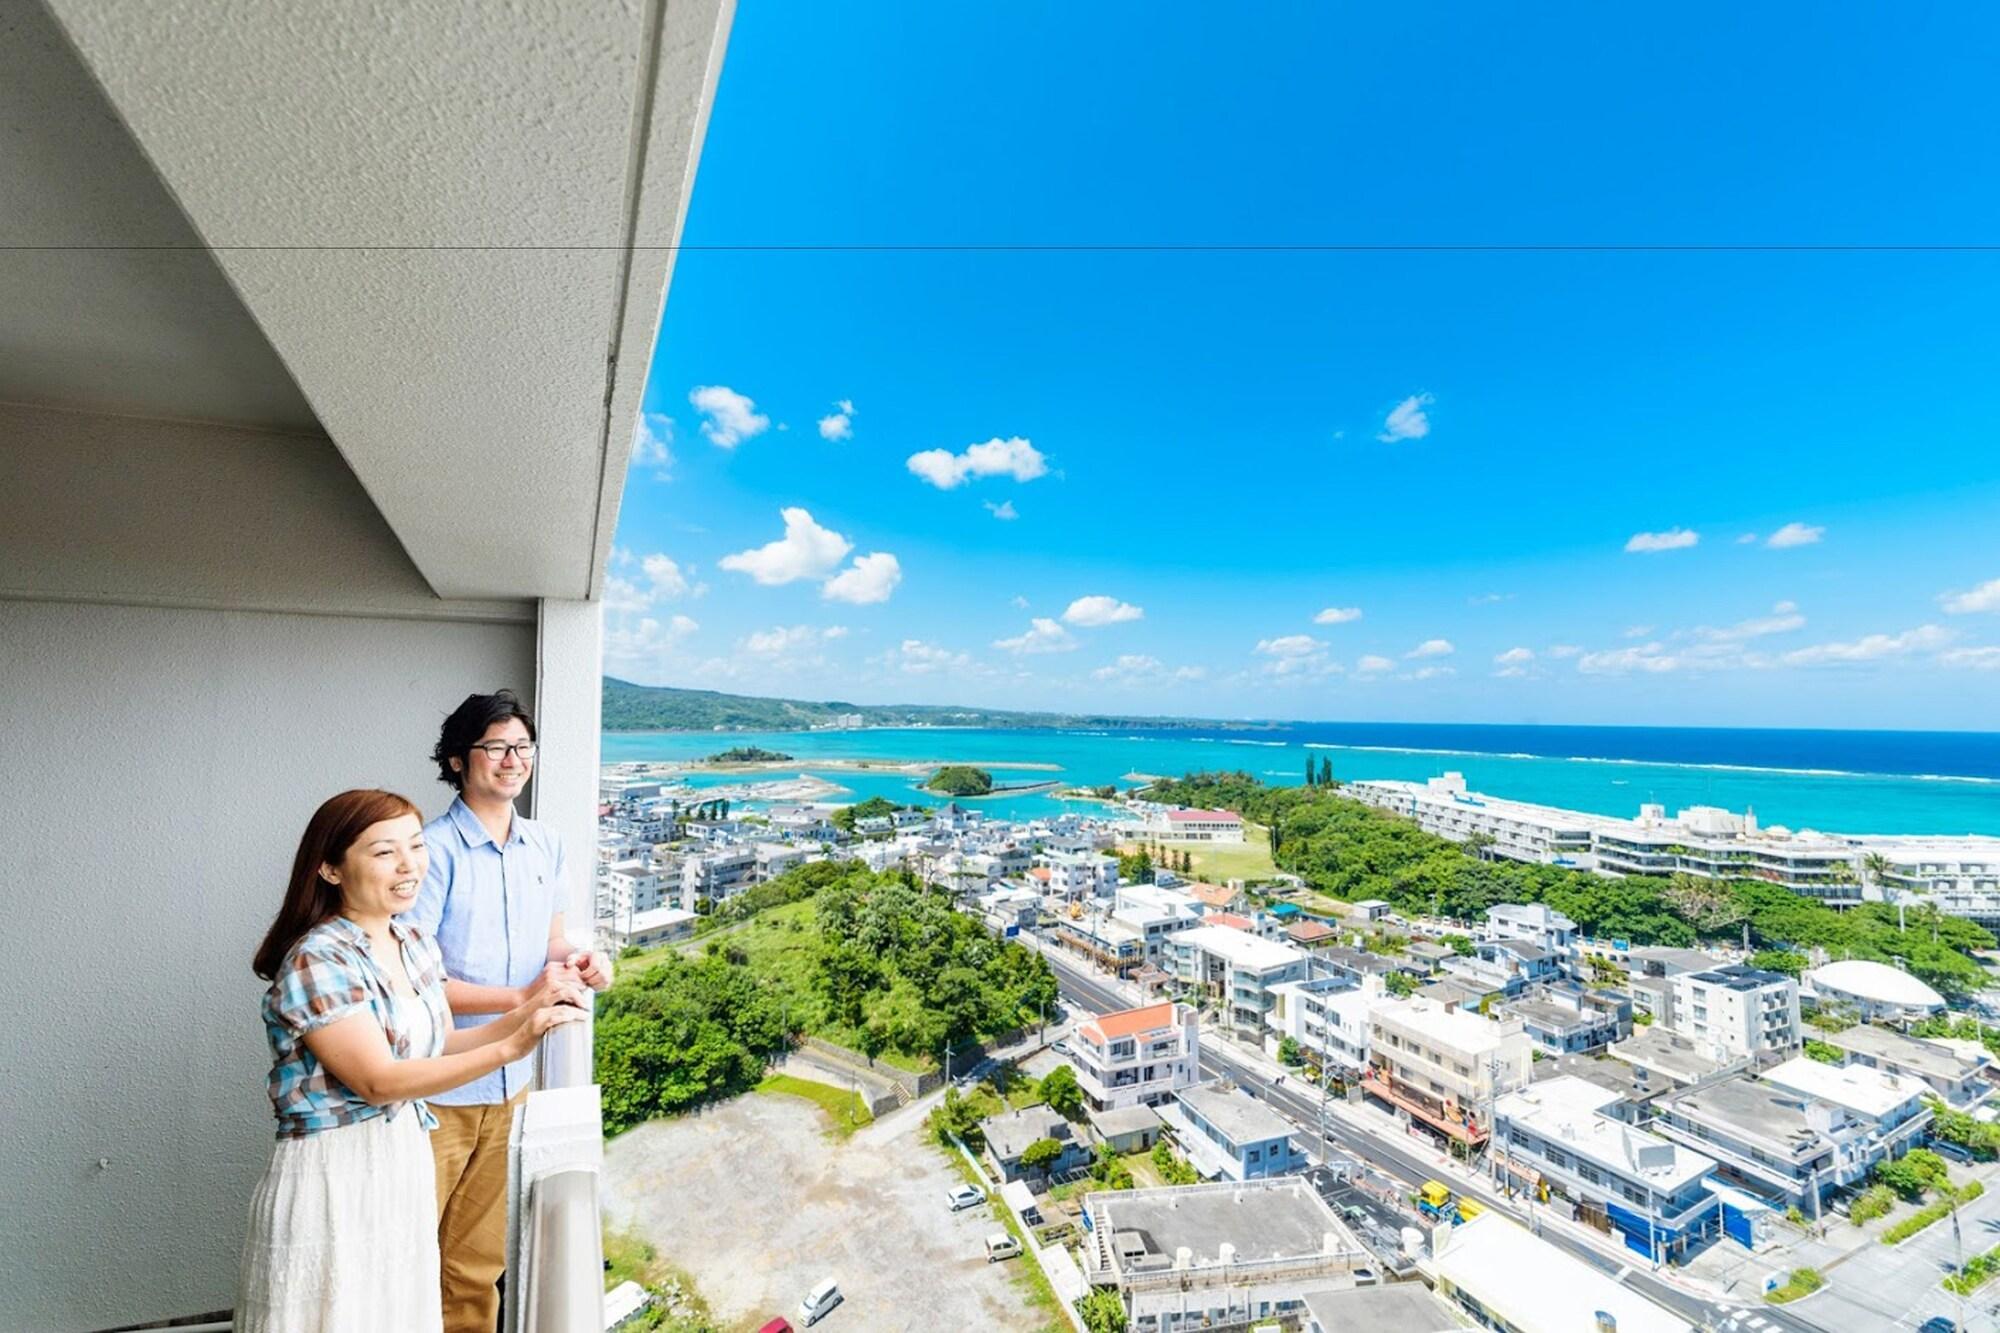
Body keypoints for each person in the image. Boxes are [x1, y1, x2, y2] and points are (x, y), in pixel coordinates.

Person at [236, 788, 586, 1332]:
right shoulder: (316, 958)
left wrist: (533, 1008)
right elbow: (379, 1080)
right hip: (335, 1174)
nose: (409, 866)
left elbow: (440, 1040)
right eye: (384, 852)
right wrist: (510, 1047)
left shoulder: (413, 938)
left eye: (416, 846)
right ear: (330, 869)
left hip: (401, 1161)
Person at [410, 690, 611, 1333]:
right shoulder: (430, 851)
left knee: (476, 1262)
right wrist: (522, 999)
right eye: (495, 747)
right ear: (457, 760)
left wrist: (584, 963)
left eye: (522, 747)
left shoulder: (546, 845)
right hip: (437, 1088)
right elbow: (416, 982)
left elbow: (550, 944)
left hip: (512, 1086)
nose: (511, 759)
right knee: (409, 1250)